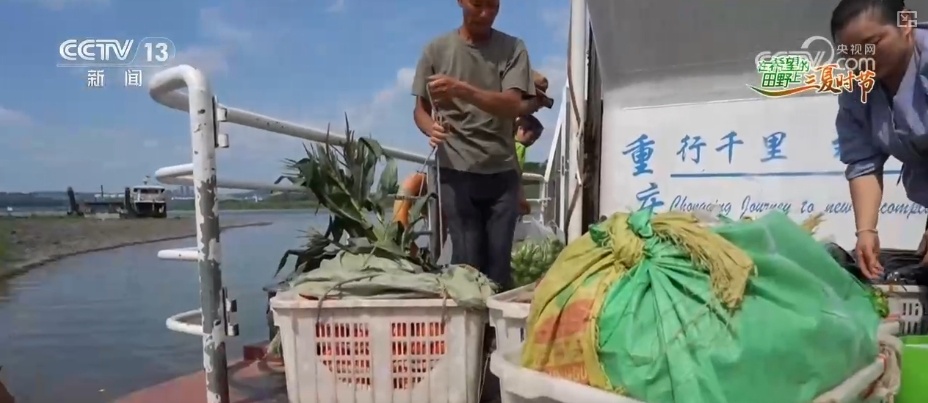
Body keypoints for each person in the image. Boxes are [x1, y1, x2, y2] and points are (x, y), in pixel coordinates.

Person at [411, 0, 540, 291]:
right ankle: (467, 333)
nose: (485, 13)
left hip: (502, 172)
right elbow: (419, 110)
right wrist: (429, 127)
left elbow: (511, 106)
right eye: (477, 4)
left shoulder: (513, 48)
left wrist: (460, 89)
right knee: (466, 263)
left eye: (493, 5)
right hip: (456, 172)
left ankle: (494, 335)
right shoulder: (435, 50)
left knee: (498, 268)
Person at [831, 0, 928, 279]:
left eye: (872, 42)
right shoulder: (858, 90)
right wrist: (866, 231)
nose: (862, 58)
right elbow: (863, 161)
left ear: (906, 23)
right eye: (851, 53)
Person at [514, 114, 544, 214]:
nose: (532, 142)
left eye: (535, 139)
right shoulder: (519, 148)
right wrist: (521, 198)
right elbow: (515, 174)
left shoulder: (507, 142)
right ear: (521, 129)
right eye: (531, 137)